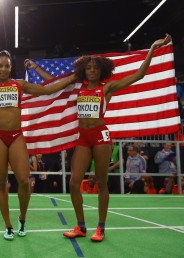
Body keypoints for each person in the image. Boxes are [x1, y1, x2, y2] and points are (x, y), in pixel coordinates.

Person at [0, 50, 77, 240]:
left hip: (16, 135)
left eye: (6, 66)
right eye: (0, 65)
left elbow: (48, 89)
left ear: (11, 67)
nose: (3, 69)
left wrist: (73, 78)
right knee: (0, 183)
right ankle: (8, 225)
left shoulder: (20, 85)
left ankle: (22, 219)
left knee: (24, 181)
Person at [63, 34, 172, 242]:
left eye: (96, 67)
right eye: (89, 67)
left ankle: (101, 228)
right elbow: (53, 86)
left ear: (101, 70)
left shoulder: (107, 88)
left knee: (102, 183)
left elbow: (139, 75)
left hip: (101, 137)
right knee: (74, 182)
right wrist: (34, 68)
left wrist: (152, 49)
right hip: (83, 138)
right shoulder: (79, 88)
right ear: (84, 70)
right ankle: (81, 226)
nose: (93, 70)